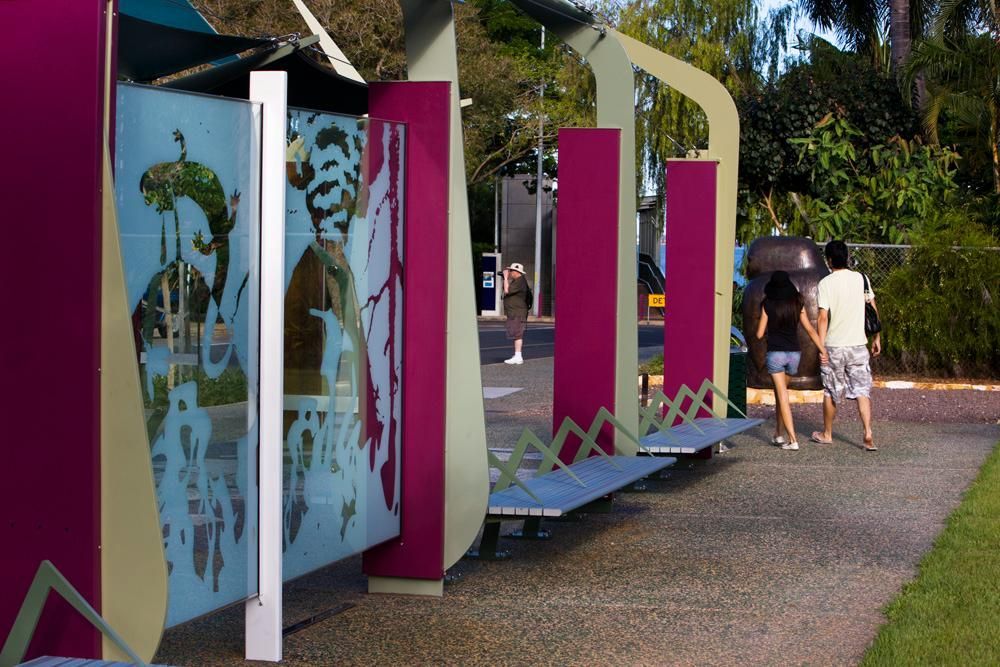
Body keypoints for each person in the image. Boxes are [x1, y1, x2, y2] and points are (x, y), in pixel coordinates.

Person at [813, 240, 881, 451]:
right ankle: (868, 432)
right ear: (847, 257)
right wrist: (877, 337)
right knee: (862, 390)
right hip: (859, 344)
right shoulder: (861, 278)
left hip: (834, 346)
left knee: (831, 390)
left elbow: (823, 318)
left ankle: (827, 433)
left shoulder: (825, 283)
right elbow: (872, 308)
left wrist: (821, 347)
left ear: (829, 260)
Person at [755, 271, 826, 451]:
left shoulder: (767, 304)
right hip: (794, 355)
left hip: (776, 354)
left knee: (782, 396)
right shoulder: (797, 303)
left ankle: (793, 439)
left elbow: (759, 333)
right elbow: (810, 330)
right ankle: (778, 434)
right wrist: (823, 350)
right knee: (782, 395)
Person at [502, 262, 529, 365]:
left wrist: (505, 278)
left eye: (511, 271)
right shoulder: (517, 281)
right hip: (515, 312)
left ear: (517, 272)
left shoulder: (520, 281)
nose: (510, 273)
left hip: (517, 312)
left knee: (517, 334)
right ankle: (517, 355)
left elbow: (507, 291)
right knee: (517, 334)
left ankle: (518, 356)